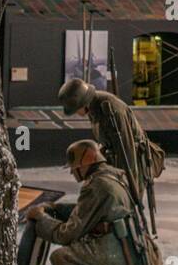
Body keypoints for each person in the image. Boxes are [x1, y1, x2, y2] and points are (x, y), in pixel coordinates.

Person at [26, 139, 160, 265]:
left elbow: (67, 235)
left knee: (61, 258)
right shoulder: (115, 176)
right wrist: (55, 208)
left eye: (74, 167)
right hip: (135, 247)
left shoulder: (96, 185)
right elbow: (89, 211)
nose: (72, 171)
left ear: (84, 164)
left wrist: (42, 218)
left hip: (120, 252)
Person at [57, 77, 164, 231]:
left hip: (131, 161)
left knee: (126, 204)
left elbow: (127, 152)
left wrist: (126, 184)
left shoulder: (110, 108)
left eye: (76, 109)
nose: (77, 113)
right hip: (115, 158)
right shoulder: (94, 107)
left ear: (83, 103)